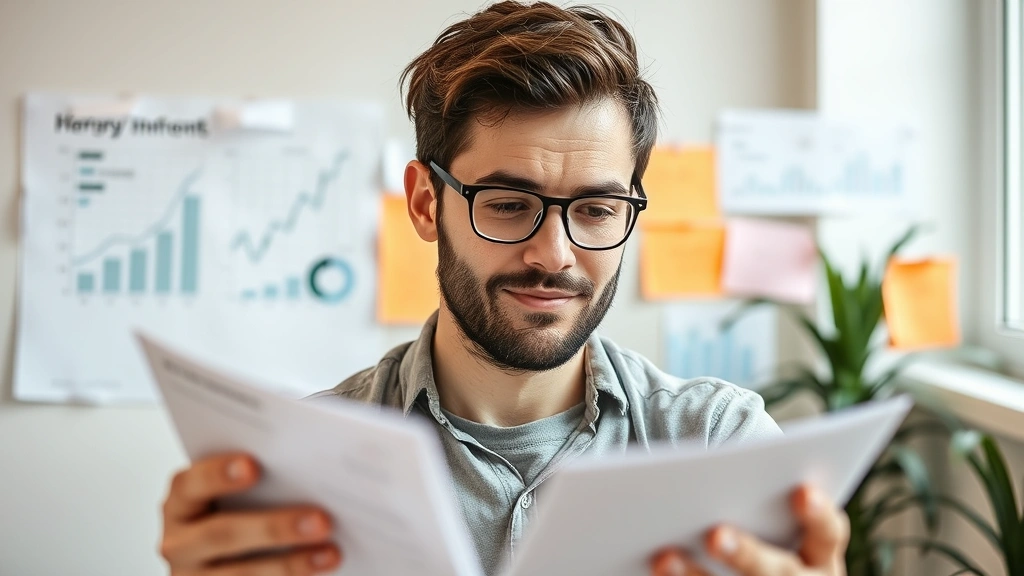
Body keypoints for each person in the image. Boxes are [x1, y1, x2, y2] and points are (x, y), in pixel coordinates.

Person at [158, 2, 850, 575]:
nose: (554, 255)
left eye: (596, 210)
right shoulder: (303, 465)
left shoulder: (719, 445)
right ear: (427, 204)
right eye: (509, 204)